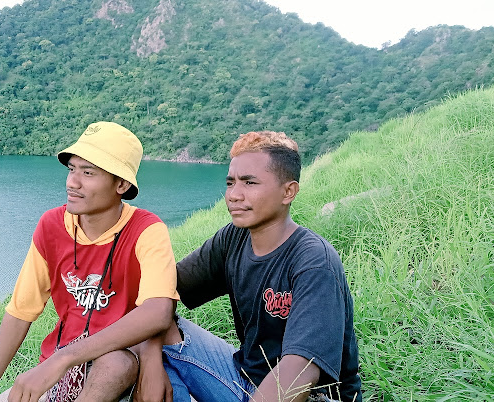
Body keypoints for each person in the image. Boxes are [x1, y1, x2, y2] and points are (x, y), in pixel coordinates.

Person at [135, 131, 362, 402]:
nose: (233, 195)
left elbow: (301, 371)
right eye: (230, 183)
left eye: (249, 183)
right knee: (157, 325)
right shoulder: (234, 238)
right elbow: (164, 288)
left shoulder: (314, 261)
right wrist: (149, 356)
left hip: (309, 396)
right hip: (245, 377)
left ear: (288, 192)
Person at [0, 121, 179, 402]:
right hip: (62, 371)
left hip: (120, 366)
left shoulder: (146, 230)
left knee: (115, 362)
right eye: (72, 169)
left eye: (88, 172)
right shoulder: (52, 226)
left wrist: (63, 358)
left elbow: (158, 312)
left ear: (121, 184)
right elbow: (21, 311)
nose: (72, 182)